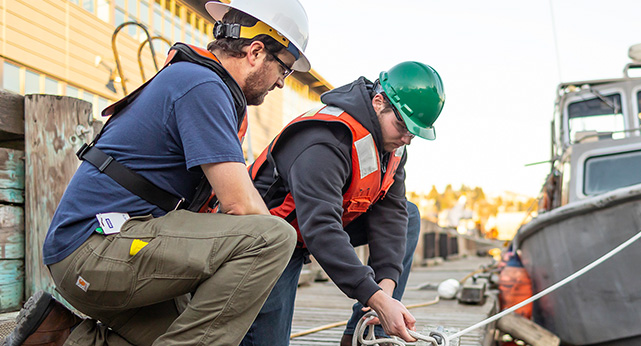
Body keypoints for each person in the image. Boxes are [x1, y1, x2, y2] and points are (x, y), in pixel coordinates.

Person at [4, 0, 311, 345]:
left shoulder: (194, 80)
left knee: (188, 330)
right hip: (95, 251)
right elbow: (242, 206)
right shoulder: (203, 86)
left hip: (97, 254)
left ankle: (58, 335)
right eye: (283, 69)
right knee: (274, 237)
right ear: (255, 52)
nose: (282, 84)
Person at [240, 61, 445, 346]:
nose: (406, 139)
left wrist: (385, 288)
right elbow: (321, 228)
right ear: (378, 102)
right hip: (269, 238)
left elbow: (392, 212)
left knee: (409, 215)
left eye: (413, 133)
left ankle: (363, 334)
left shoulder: (394, 145)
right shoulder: (325, 140)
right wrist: (372, 294)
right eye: (402, 126)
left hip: (310, 228)